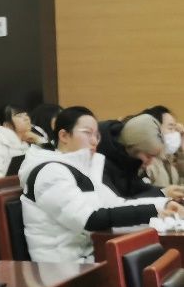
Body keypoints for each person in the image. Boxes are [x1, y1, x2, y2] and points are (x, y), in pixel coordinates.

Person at [19, 106, 182, 263]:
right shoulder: (50, 172)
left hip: (88, 254)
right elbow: (90, 219)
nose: (94, 141)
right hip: (62, 265)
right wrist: (153, 211)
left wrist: (163, 204)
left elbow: (114, 203)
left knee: (160, 257)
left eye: (97, 135)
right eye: (87, 133)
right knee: (155, 260)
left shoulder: (84, 168)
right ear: (64, 136)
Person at [98, 113, 184, 200]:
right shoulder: (101, 164)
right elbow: (119, 203)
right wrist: (163, 193)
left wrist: (167, 191)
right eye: (148, 156)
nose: (150, 162)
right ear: (134, 147)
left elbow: (138, 189)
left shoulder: (128, 160)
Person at [142, 105, 184, 187]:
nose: (176, 133)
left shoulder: (168, 161)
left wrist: (181, 149)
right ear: (154, 130)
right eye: (171, 128)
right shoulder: (146, 164)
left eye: (176, 129)